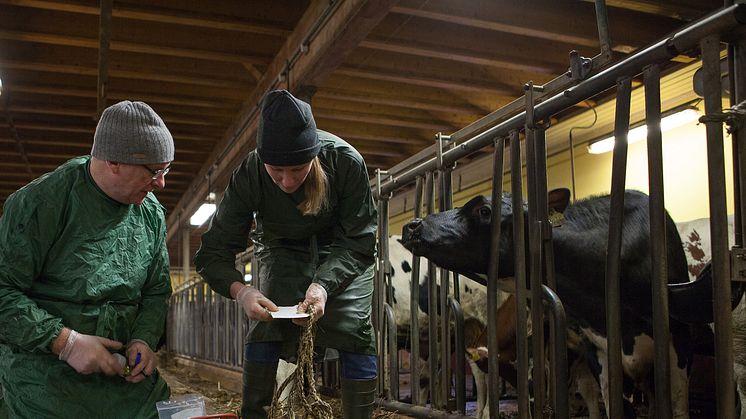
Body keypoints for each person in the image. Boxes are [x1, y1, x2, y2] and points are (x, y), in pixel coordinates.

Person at [195, 89, 378, 419]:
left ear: (315, 154)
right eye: (276, 170)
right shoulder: (250, 173)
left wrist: (323, 285)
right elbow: (213, 253)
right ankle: (255, 413)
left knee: (354, 329)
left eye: (298, 168)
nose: (287, 181)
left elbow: (360, 241)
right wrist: (243, 291)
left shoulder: (346, 162)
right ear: (262, 158)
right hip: (281, 249)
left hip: (342, 252)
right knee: (266, 326)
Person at [0, 101, 174, 418]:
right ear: (113, 162)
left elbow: (155, 290)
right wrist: (64, 342)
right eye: (154, 171)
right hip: (44, 370)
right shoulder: (43, 202)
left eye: (166, 169)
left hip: (120, 372)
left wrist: (143, 340)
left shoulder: (151, 214)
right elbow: (3, 290)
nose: (161, 183)